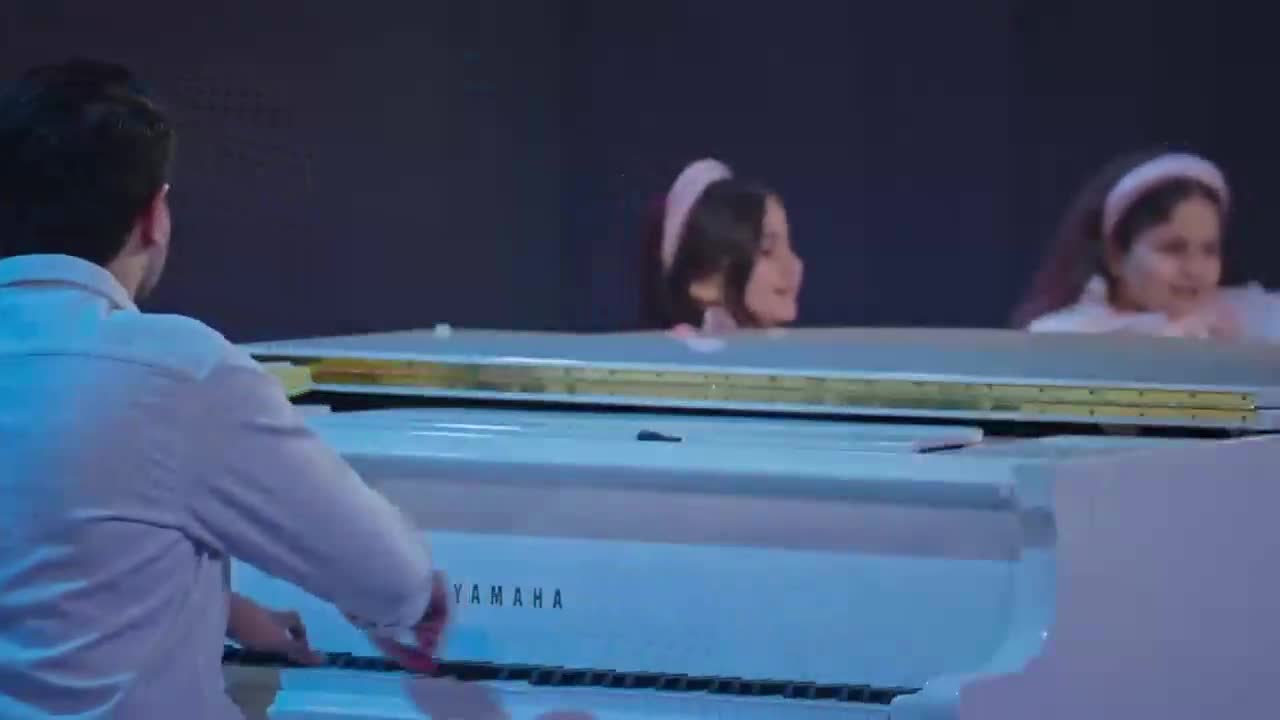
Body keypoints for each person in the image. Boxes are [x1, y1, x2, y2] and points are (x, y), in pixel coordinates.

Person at [0, 59, 448, 719]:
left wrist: (228, 609)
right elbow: (391, 580)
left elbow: (42, 543)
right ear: (154, 217)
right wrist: (414, 603)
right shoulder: (177, 372)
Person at [1012, 150, 1279, 340]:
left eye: (1209, 250)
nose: (1195, 269)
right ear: (1116, 256)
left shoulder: (1251, 327)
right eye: (1173, 248)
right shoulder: (1066, 340)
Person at [640, 158, 804, 335]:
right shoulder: (683, 349)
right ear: (704, 278)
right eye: (767, 250)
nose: (792, 266)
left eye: (789, 247)